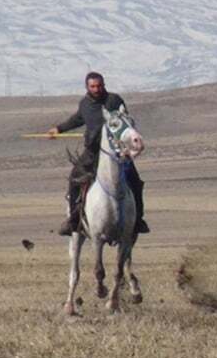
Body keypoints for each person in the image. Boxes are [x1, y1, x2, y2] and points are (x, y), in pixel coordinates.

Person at [47, 72, 149, 236]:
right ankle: (74, 221)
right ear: (87, 87)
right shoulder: (85, 104)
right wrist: (59, 129)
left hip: (116, 152)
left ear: (104, 84)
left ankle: (138, 220)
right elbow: (77, 119)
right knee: (74, 179)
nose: (96, 89)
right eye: (93, 86)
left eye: (99, 86)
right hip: (93, 152)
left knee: (135, 182)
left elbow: (125, 121)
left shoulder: (114, 100)